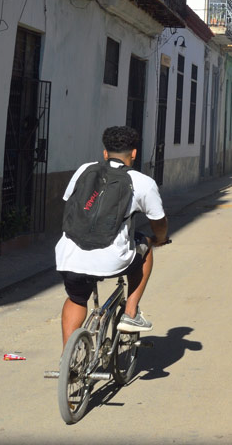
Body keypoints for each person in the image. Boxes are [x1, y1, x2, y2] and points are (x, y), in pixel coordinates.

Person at [55, 126, 169, 346]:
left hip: (69, 255)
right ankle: (131, 312)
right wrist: (160, 238)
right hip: (112, 259)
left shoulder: (84, 170)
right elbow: (159, 221)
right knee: (145, 245)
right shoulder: (143, 182)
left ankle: (66, 360)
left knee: (77, 297)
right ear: (134, 154)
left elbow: (70, 202)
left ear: (105, 153)